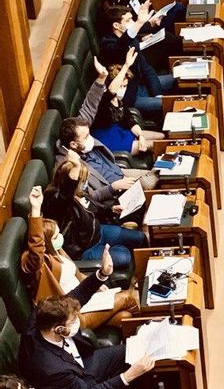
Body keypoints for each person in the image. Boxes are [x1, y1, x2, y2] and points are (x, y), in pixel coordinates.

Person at [17, 244, 156, 389]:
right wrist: (127, 377)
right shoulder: (53, 370)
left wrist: (102, 273)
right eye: (73, 320)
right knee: (134, 371)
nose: (77, 320)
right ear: (59, 329)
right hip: (78, 378)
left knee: (137, 352)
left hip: (83, 361)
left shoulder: (41, 314)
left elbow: (77, 296)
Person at [23, 186, 139, 330]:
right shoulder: (39, 265)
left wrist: (94, 285)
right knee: (130, 297)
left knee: (125, 317)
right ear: (45, 242)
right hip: (69, 315)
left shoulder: (58, 251)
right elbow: (36, 250)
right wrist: (35, 210)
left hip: (85, 300)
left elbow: (78, 275)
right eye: (55, 236)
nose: (60, 237)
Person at [43, 156, 147, 267]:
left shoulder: (79, 193)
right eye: (82, 181)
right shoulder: (55, 201)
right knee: (124, 256)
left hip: (98, 232)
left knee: (140, 238)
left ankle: (114, 247)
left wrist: (111, 209)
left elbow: (93, 205)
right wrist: (76, 167)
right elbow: (65, 194)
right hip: (85, 248)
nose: (84, 184)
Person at [56, 117, 157, 206]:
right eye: (86, 136)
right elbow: (86, 199)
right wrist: (113, 187)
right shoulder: (70, 167)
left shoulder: (83, 146)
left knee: (158, 173)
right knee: (152, 184)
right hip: (115, 190)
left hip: (119, 172)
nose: (90, 138)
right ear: (73, 144)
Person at [99, 8, 174, 119]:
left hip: (140, 85)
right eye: (129, 20)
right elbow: (120, 46)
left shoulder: (133, 40)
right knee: (169, 104)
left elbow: (146, 69)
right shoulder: (108, 45)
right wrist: (139, 23)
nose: (133, 23)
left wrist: (158, 94)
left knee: (178, 80)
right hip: (129, 97)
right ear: (116, 25)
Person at [91, 58, 164, 155]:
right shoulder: (102, 101)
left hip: (121, 131)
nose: (122, 90)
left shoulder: (119, 100)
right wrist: (126, 65)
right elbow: (111, 91)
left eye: (125, 86)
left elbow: (129, 121)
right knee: (159, 145)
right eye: (120, 86)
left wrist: (141, 136)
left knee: (162, 137)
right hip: (108, 140)